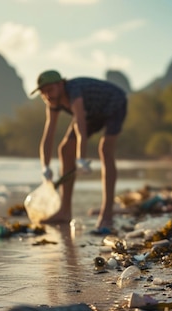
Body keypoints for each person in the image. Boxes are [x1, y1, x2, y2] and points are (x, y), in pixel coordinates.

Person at [30, 70, 127, 234]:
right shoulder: (52, 102)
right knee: (65, 148)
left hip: (114, 104)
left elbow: (81, 125)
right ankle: (65, 211)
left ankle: (107, 213)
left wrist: (81, 159)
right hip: (91, 113)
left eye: (50, 89)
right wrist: (45, 167)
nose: (47, 95)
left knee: (105, 149)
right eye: (43, 92)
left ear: (61, 85)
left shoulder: (74, 91)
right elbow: (49, 133)